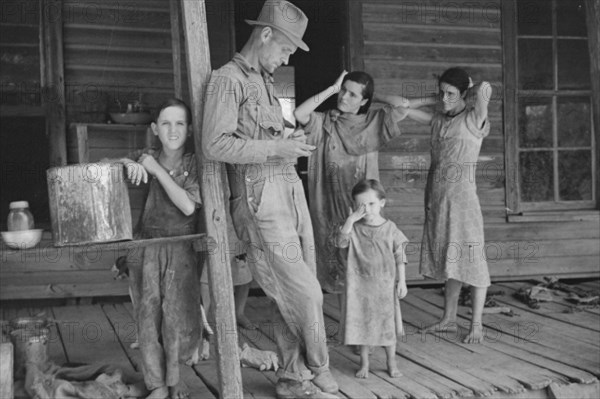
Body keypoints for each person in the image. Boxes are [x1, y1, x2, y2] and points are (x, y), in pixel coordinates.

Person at [201, 1, 338, 398]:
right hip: (259, 200)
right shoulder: (228, 80)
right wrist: (277, 148)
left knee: (293, 288)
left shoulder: (262, 80)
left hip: (288, 191)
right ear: (264, 35)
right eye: (284, 50)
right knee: (304, 291)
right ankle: (319, 365)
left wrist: (287, 142)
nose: (285, 59)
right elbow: (215, 143)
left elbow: (264, 138)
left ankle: (292, 378)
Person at [293, 70, 416, 301]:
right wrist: (331, 88)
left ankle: (369, 319)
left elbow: (403, 106)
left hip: (363, 204)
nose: (344, 97)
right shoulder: (326, 120)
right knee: (337, 256)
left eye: (352, 94)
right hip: (329, 202)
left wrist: (371, 95)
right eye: (343, 91)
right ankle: (348, 324)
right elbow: (300, 112)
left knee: (367, 256)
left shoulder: (373, 121)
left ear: (364, 100)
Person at [112, 98, 202, 399]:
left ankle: (177, 381)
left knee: (177, 318)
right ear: (154, 128)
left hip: (181, 248)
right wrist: (128, 164)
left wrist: (156, 170)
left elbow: (188, 206)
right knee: (147, 319)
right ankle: (158, 386)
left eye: (179, 123)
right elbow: (105, 167)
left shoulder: (193, 164)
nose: (172, 130)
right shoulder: (144, 156)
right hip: (146, 248)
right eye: (165, 123)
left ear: (189, 130)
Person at [404, 67, 493, 344]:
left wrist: (462, 93)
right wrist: (438, 99)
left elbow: (485, 89)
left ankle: (476, 324)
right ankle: (448, 319)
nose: (444, 98)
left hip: (464, 200)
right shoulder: (438, 121)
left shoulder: (475, 119)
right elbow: (400, 105)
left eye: (450, 93)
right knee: (451, 260)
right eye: (441, 92)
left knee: (474, 260)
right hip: (438, 198)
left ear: (465, 93)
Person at [335, 179, 408, 379]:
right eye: (361, 205)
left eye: (371, 204)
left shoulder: (390, 228)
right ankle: (364, 364)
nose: (366, 209)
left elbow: (400, 255)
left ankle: (391, 362)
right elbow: (341, 243)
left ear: (382, 203)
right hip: (360, 287)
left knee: (387, 326)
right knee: (363, 327)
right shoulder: (354, 228)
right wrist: (349, 221)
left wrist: (402, 281)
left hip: (384, 286)